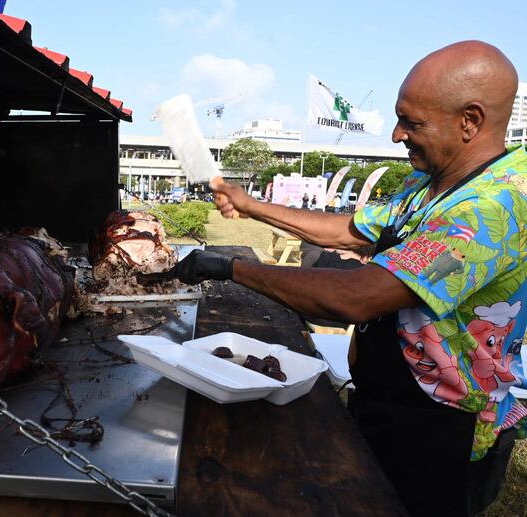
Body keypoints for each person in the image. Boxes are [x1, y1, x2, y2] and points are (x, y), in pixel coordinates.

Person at [170, 41, 526, 516]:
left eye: (412, 122)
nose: (397, 135)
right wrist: (250, 204)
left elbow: (360, 296)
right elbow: (351, 230)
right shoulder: (430, 183)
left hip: (444, 431)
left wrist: (231, 268)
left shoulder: (492, 208)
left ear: (470, 120)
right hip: (386, 401)